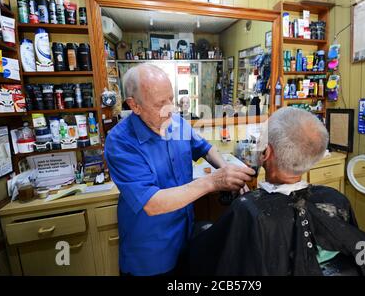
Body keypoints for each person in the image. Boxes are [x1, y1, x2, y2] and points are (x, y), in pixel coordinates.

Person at [184, 107, 365, 276]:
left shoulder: (247, 211)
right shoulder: (336, 199)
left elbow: (218, 256)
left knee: (200, 230)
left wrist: (248, 206)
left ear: (265, 153)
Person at [104, 64, 255, 276]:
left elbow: (205, 148)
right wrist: (214, 181)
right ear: (134, 105)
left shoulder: (176, 123)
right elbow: (152, 203)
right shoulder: (120, 142)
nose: (171, 109)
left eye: (171, 99)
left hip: (185, 238)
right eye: (160, 104)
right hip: (150, 254)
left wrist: (227, 169)